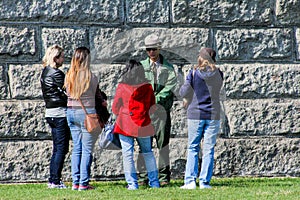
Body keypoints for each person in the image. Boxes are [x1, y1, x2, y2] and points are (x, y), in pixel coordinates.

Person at [179, 47, 223, 189]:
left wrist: (187, 84)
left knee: (193, 147)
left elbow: (183, 91)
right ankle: (204, 182)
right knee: (208, 149)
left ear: (201, 58)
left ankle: (190, 181)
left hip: (196, 114)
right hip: (213, 114)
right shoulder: (219, 74)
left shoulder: (193, 73)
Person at [112, 60, 160, 190]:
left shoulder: (122, 86)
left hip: (125, 123)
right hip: (143, 122)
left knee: (127, 154)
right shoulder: (147, 87)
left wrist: (120, 113)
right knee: (148, 153)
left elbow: (115, 107)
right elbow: (152, 106)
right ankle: (155, 182)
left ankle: (132, 184)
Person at [64, 47, 107, 191]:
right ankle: (83, 183)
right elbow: (97, 96)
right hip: (87, 113)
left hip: (70, 112)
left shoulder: (68, 75)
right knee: (87, 149)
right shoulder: (91, 77)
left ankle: (75, 182)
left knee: (77, 148)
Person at [137, 34, 177, 186]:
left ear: (159, 48)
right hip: (145, 113)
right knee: (143, 147)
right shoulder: (141, 66)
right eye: (148, 50)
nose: (151, 52)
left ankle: (163, 177)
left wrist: (154, 100)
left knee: (163, 146)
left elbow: (170, 86)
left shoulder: (169, 67)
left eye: (153, 49)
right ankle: (143, 177)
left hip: (161, 112)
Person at [40, 44, 70, 189]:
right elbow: (67, 92)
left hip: (50, 113)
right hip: (59, 113)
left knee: (58, 148)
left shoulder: (45, 72)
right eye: (62, 56)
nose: (64, 59)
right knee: (61, 148)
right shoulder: (57, 74)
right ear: (56, 58)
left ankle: (54, 179)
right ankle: (54, 180)